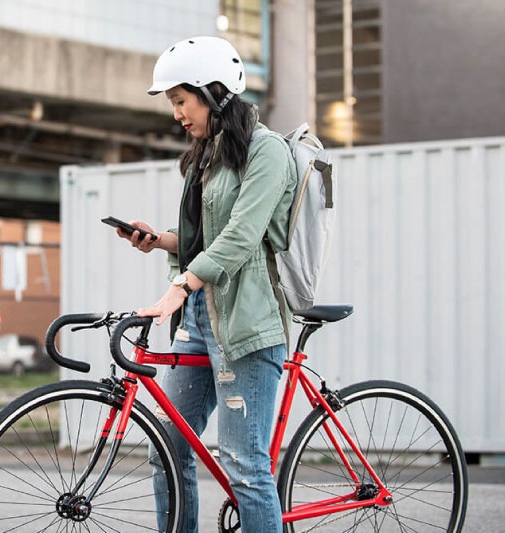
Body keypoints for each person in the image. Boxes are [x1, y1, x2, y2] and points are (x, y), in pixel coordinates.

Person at [116, 36, 296, 532]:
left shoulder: (268, 152)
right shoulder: (209, 154)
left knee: (245, 468)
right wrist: (159, 242)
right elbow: (202, 242)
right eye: (173, 103)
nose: (177, 114)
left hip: (247, 322)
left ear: (213, 91)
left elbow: (239, 239)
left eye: (180, 100)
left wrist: (181, 286)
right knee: (167, 451)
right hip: (200, 316)